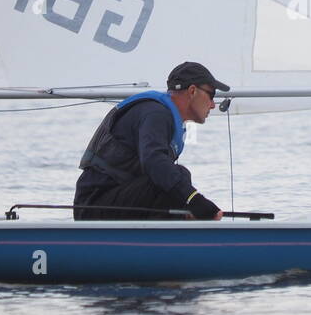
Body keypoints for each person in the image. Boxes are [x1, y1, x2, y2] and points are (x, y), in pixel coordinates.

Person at [74, 61, 229, 221]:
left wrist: (187, 205)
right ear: (192, 91)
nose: (212, 105)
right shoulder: (155, 114)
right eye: (211, 95)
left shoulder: (162, 115)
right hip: (92, 206)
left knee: (178, 180)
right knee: (176, 177)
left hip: (117, 201)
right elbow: (153, 161)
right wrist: (194, 200)